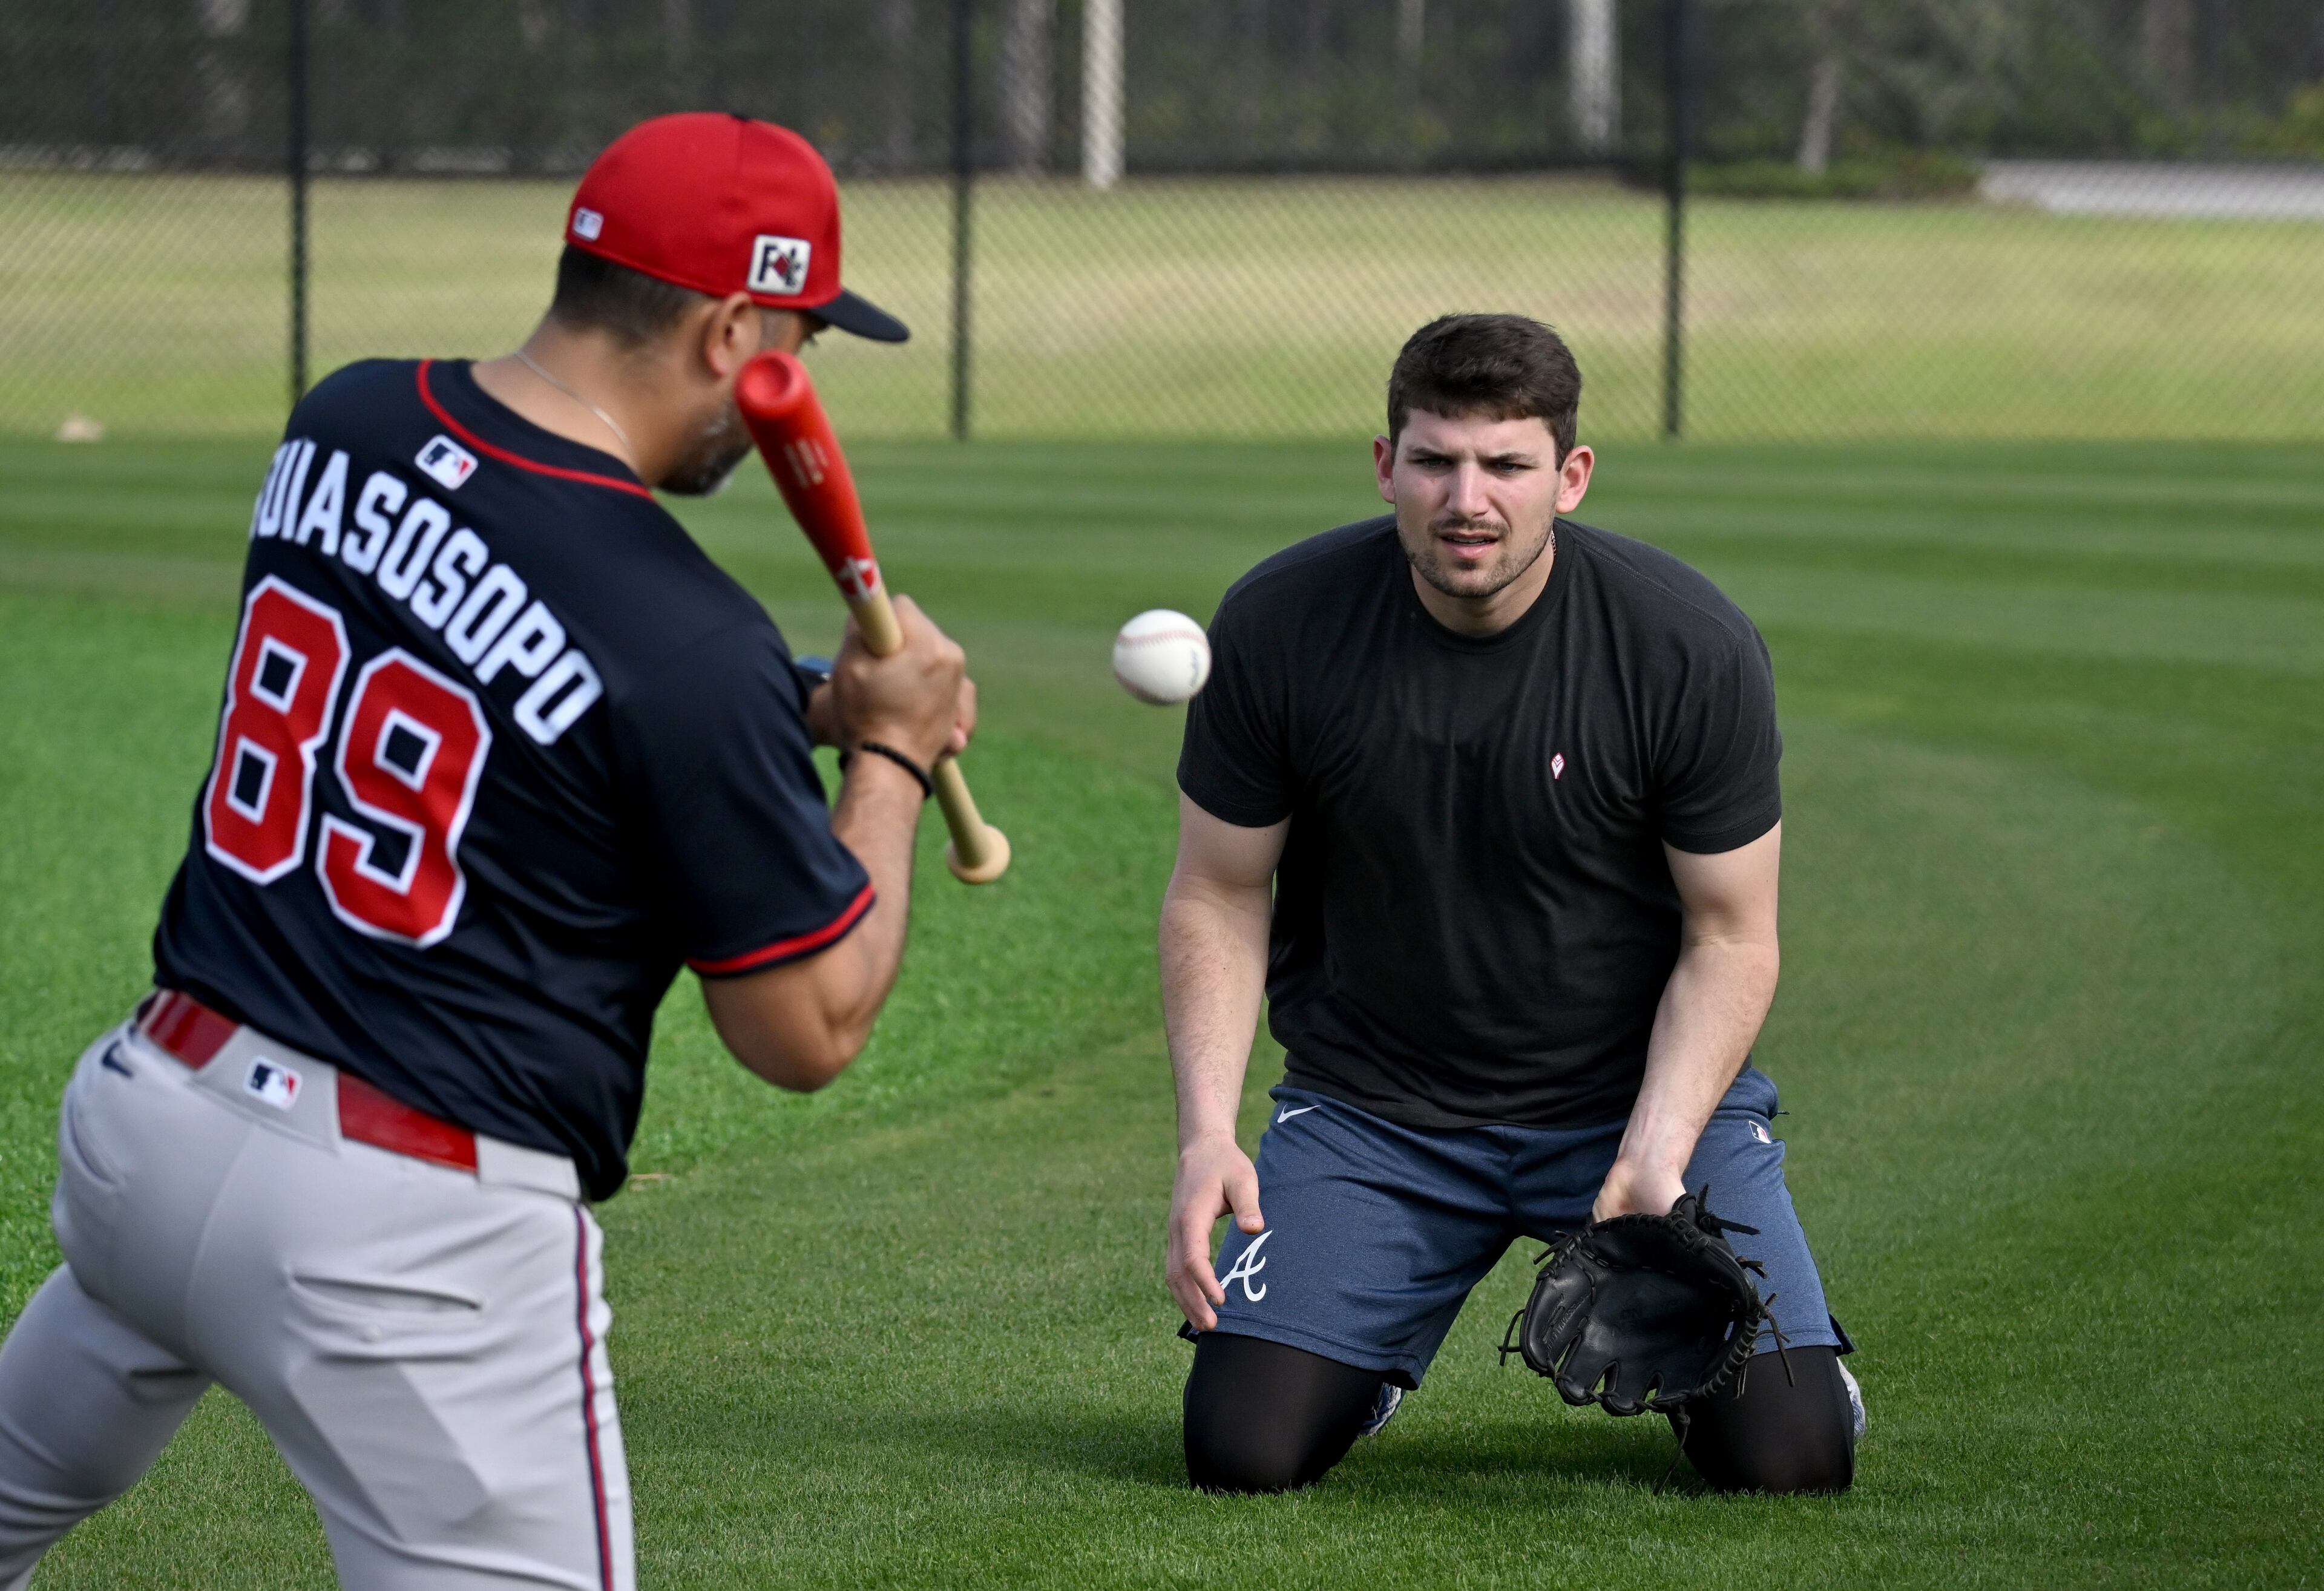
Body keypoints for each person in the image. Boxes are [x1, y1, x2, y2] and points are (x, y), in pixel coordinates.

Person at [0, 113, 974, 1590]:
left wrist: (816, 705)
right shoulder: (689, 635)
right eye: (803, 341)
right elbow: (806, 1023)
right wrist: (891, 759)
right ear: (731, 332)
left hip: (153, 1122)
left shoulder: (349, 415)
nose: (804, 382)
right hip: (398, 1241)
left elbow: (492, 666)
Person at [1160, 313, 1861, 1495]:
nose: (1466, 498)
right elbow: (1219, 890)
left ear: (1570, 477)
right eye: (1434, 460)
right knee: (1241, 1447)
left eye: (1506, 464)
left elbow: (1732, 932)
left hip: (1626, 1104)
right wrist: (1206, 1132)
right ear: (1385, 464)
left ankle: (1794, 1380)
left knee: (1791, 1458)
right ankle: (1358, 1357)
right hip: (1374, 1115)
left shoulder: (1684, 647)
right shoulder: (1282, 626)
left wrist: (1656, 1153)